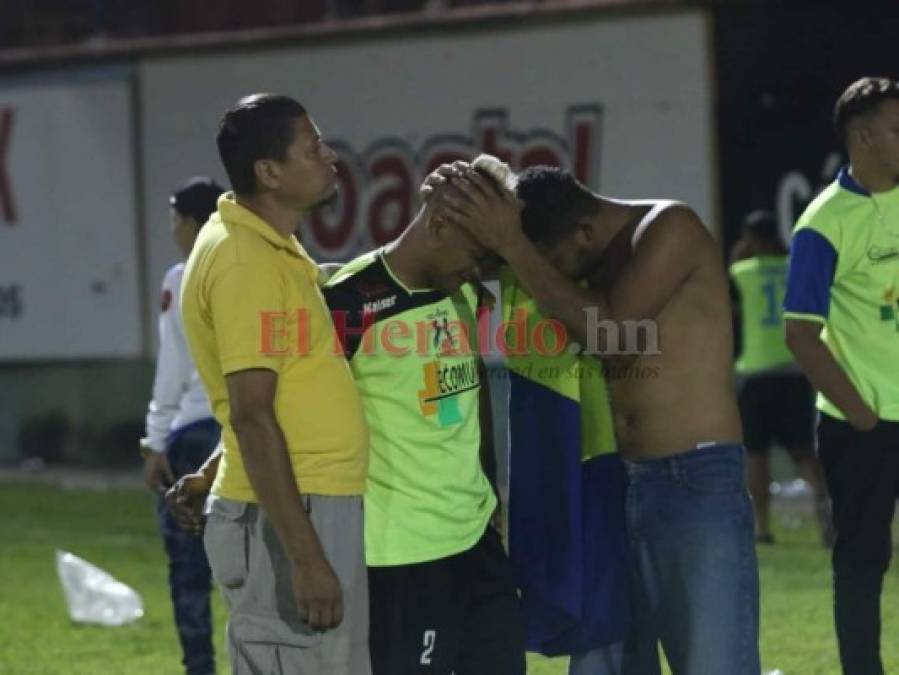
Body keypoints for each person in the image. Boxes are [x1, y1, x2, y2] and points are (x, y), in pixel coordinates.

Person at [170, 161, 526, 675]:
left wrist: (489, 488)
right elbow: (288, 402)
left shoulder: (462, 291)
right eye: (478, 256)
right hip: (399, 556)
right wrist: (210, 470)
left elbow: (472, 399)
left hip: (477, 543)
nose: (480, 272)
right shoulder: (347, 304)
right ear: (440, 225)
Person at [429, 160, 760, 674]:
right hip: (611, 482)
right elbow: (463, 265)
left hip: (694, 479)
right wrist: (461, 196)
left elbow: (611, 333)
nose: (555, 279)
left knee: (712, 662)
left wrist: (517, 248)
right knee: (608, 657)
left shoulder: (670, 228)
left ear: (585, 230)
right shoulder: (574, 251)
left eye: (555, 261)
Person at [179, 93, 371, 675]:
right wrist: (306, 554)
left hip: (303, 501)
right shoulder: (244, 262)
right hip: (292, 516)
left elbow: (265, 394)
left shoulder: (268, 247)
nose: (329, 156)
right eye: (312, 148)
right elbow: (253, 412)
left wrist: (215, 464)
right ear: (269, 172)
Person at [783, 76, 899, 675]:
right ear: (864, 136)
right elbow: (799, 331)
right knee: (862, 561)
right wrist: (860, 412)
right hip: (864, 426)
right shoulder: (823, 225)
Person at [140, 176, 223, 675]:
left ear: (194, 222)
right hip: (243, 431)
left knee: (189, 571)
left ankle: (201, 668)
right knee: (252, 569)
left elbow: (171, 367)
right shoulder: (250, 267)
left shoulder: (181, 276)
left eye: (175, 219)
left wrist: (153, 440)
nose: (172, 229)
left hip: (194, 432)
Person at [729, 209, 830, 545]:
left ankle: (761, 527)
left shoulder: (743, 271)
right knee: (803, 452)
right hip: (794, 369)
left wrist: (739, 255)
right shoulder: (794, 270)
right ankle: (826, 510)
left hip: (757, 372)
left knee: (756, 454)